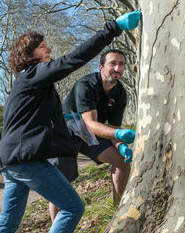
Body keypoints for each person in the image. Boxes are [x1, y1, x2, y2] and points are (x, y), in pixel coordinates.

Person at [0, 10, 141, 233]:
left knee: (8, 222)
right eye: (44, 47)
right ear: (30, 53)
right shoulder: (34, 74)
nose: (50, 50)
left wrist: (88, 139)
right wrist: (113, 28)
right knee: (73, 206)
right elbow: (74, 59)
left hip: (10, 162)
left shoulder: (27, 84)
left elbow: (43, 125)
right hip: (27, 161)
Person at [48, 48, 136, 222]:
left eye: (121, 64)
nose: (117, 68)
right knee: (61, 183)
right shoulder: (86, 85)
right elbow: (91, 123)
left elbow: (112, 129)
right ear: (101, 66)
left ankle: (117, 214)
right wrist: (119, 133)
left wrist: (121, 145)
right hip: (66, 133)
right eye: (113, 64)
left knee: (122, 162)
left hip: (90, 135)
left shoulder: (120, 93)